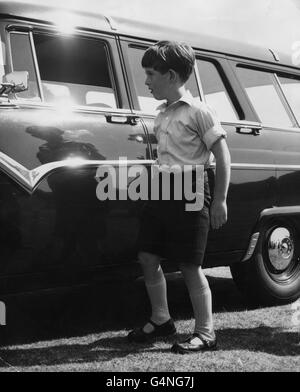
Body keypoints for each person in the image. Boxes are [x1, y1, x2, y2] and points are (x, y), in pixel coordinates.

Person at [127, 41, 231, 354]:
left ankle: (205, 333)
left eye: (150, 74)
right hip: (162, 192)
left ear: (171, 76)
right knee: (147, 256)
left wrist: (220, 201)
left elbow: (223, 156)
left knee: (189, 265)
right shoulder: (160, 115)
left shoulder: (199, 111)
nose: (146, 82)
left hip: (192, 192)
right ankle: (161, 319)